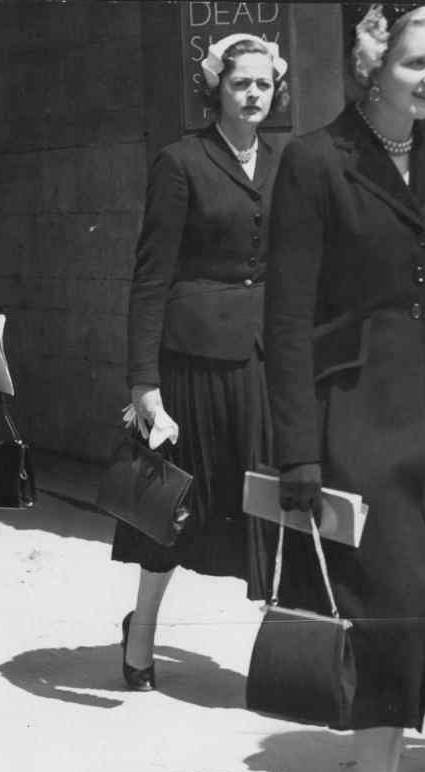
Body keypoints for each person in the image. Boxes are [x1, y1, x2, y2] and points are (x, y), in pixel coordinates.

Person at [263, 6, 425, 772]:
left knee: (416, 603)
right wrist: (297, 448)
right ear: (374, 64)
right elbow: (288, 317)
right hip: (352, 416)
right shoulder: (314, 160)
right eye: (413, 64)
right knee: (382, 602)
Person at [111, 33, 290, 691]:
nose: (252, 95)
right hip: (191, 363)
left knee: (272, 507)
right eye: (240, 83)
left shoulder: (285, 159)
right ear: (216, 88)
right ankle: (141, 637)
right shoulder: (180, 161)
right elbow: (150, 277)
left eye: (263, 85)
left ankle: (279, 659)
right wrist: (144, 386)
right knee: (172, 509)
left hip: (262, 360)